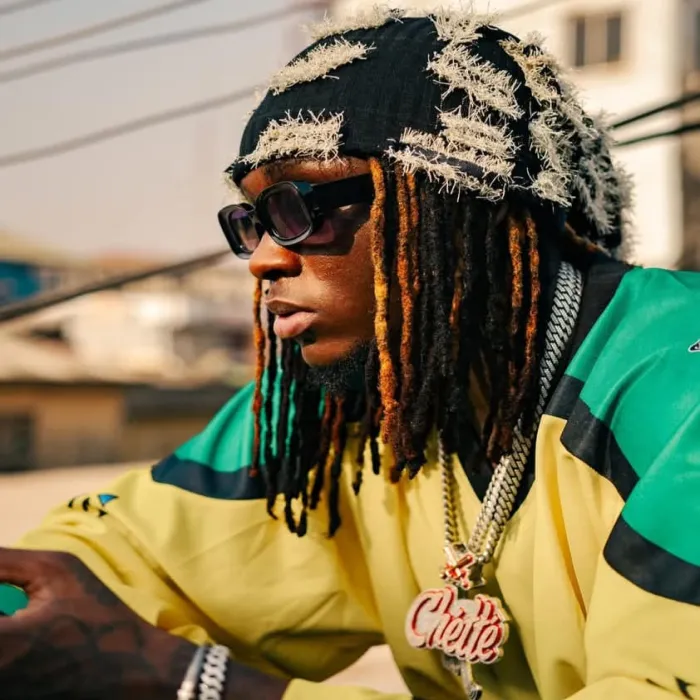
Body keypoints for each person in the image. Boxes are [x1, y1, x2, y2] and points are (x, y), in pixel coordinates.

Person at [1, 7, 699, 700]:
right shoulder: (360, 395)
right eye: (251, 221)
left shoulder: (677, 384)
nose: (263, 259)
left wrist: (200, 683)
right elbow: (110, 560)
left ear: (460, 202)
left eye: (297, 207)